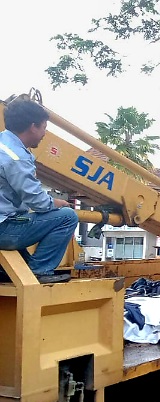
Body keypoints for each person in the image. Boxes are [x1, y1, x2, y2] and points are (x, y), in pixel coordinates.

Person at [0, 98, 78, 284]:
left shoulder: (3, 145)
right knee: (68, 216)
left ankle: (10, 271)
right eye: (44, 127)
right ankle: (39, 271)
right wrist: (54, 202)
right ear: (32, 126)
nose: (44, 134)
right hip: (4, 229)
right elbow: (36, 200)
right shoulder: (15, 156)